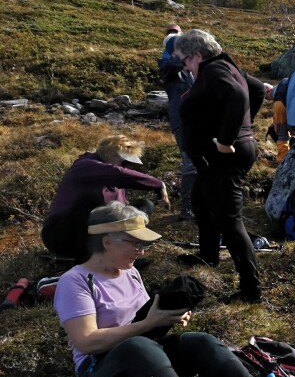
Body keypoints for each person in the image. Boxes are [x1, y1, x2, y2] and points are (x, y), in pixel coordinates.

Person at [53, 203, 295, 377]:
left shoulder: (129, 272)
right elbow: (87, 342)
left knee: (200, 341)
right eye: (135, 243)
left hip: (143, 357)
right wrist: (147, 324)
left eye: (143, 244)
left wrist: (166, 318)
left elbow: (144, 321)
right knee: (137, 346)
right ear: (107, 242)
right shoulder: (75, 282)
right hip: (100, 374)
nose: (141, 251)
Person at [175, 28, 263, 303]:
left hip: (224, 156)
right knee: (201, 200)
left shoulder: (214, 70)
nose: (184, 67)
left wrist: (227, 138)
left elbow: (238, 96)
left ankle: (251, 290)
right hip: (218, 157)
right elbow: (257, 89)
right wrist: (243, 126)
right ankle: (208, 256)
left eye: (184, 60)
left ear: (197, 55)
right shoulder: (223, 67)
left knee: (229, 221)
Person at [42, 135, 169, 261]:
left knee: (143, 205)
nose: (127, 167)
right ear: (110, 155)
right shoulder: (85, 165)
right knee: (91, 199)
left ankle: (120, 253)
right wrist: (158, 184)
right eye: (125, 162)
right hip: (61, 236)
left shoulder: (115, 182)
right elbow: (117, 173)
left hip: (91, 239)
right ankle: (87, 258)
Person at [158, 24, 197, 221]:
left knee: (197, 161)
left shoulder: (186, 69)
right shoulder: (168, 66)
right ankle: (186, 208)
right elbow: (172, 65)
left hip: (192, 119)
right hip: (182, 121)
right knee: (190, 162)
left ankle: (195, 205)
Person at [269, 75, 293, 162]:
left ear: (269, 90)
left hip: (280, 104)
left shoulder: (277, 90)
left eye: (266, 96)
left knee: (282, 133)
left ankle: (282, 159)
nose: (268, 99)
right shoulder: (287, 81)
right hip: (291, 105)